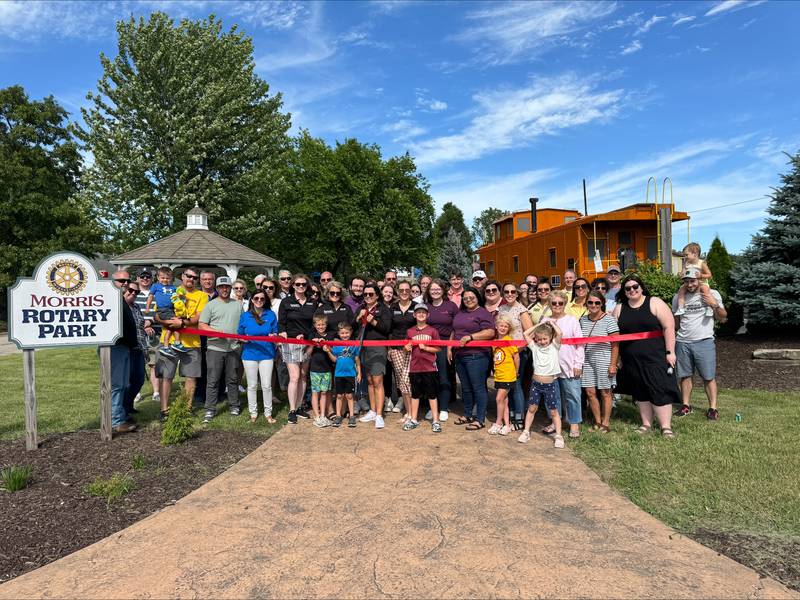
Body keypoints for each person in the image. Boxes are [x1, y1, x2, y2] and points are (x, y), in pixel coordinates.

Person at [613, 274, 679, 438]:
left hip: (656, 356)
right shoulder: (620, 308)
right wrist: (618, 358)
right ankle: (646, 424)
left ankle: (666, 426)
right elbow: (615, 335)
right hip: (631, 359)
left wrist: (670, 352)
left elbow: (669, 328)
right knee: (640, 391)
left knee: (659, 388)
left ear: (641, 287)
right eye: (628, 288)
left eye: (635, 287)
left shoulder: (655, 302)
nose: (632, 290)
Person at [672, 266, 727, 420]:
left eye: (693, 281)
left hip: (704, 341)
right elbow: (676, 322)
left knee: (708, 377)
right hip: (683, 341)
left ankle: (713, 408)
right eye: (687, 281)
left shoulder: (712, 293)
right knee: (684, 376)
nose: (690, 285)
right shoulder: (678, 297)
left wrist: (714, 304)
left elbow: (723, 317)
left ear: (699, 280)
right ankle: (685, 406)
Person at [155, 267, 208, 422]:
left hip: (191, 342)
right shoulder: (170, 290)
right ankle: (164, 410)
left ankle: (186, 408)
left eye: (194, 277)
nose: (191, 279)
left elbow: (198, 318)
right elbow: (158, 313)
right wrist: (168, 322)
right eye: (188, 276)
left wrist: (182, 323)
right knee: (166, 375)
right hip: (168, 341)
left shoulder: (202, 296)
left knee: (191, 377)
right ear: (182, 276)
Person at [198, 276, 243, 422]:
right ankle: (210, 409)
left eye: (227, 287)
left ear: (230, 288)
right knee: (213, 380)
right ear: (217, 289)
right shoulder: (210, 305)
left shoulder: (237, 304)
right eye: (221, 287)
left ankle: (234, 405)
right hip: (215, 348)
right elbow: (201, 325)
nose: (224, 289)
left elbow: (243, 325)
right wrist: (217, 333)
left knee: (233, 379)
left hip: (234, 348)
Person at [450, 287, 495, 430]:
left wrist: (471, 337)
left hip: (477, 355)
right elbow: (454, 330)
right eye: (465, 298)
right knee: (466, 387)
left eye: (472, 297)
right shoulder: (460, 313)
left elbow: (490, 332)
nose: (468, 300)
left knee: (478, 387)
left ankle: (480, 419)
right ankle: (468, 414)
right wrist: (450, 347)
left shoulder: (483, 313)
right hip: (459, 355)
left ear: (477, 298)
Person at [543, 290, 585, 438]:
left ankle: (574, 424)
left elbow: (580, 344)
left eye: (560, 303)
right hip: (549, 367)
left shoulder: (572, 320)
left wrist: (578, 364)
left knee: (573, 395)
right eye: (554, 303)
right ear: (549, 304)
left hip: (569, 365)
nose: (557, 305)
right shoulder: (544, 321)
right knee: (552, 397)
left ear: (565, 304)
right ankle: (555, 422)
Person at [278, 273, 319, 424]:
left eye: (303, 284)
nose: (301, 287)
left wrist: (309, 340)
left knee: (303, 376)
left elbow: (315, 325)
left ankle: (300, 405)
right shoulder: (286, 302)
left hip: (307, 343)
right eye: (297, 284)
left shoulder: (312, 303)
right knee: (294, 377)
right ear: (293, 285)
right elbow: (281, 323)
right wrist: (282, 333)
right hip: (291, 343)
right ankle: (292, 409)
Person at [519, 321, 565, 448]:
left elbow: (559, 333)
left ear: (550, 338)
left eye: (545, 339)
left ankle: (558, 436)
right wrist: (538, 326)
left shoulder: (555, 346)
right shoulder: (534, 347)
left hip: (550, 384)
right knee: (532, 408)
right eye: (539, 339)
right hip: (536, 384)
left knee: (554, 411)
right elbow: (525, 333)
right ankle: (526, 431)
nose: (542, 341)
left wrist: (550, 324)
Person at [580, 291, 619, 432]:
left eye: (597, 302)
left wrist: (613, 364)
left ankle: (606, 423)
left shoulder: (609, 320)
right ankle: (597, 421)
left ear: (602, 303)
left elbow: (615, 344)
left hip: (604, 359)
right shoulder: (583, 320)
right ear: (586, 304)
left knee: (605, 392)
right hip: (587, 360)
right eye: (590, 302)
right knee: (590, 392)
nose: (593, 305)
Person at [238, 289, 278, 423]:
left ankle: (268, 413)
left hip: (267, 354)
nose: (259, 301)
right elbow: (239, 334)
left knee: (266, 385)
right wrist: (243, 339)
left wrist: (273, 336)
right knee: (252, 385)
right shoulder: (245, 316)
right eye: (256, 298)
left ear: (265, 300)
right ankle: (253, 413)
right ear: (252, 300)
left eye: (262, 298)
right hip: (249, 354)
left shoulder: (271, 315)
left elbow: (275, 332)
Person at [355, 283, 393, 429]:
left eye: (371, 294)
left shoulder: (384, 309)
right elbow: (352, 325)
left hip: (377, 347)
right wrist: (358, 318)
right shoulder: (361, 308)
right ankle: (372, 410)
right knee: (369, 380)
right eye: (365, 294)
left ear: (377, 295)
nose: (368, 297)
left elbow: (387, 328)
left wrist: (373, 321)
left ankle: (379, 414)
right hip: (363, 347)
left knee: (378, 381)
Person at [498, 282, 534, 426]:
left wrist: (517, 350)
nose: (510, 294)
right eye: (507, 292)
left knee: (517, 384)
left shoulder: (521, 310)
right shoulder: (501, 309)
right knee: (508, 385)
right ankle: (511, 412)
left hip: (518, 354)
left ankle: (519, 416)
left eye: (513, 291)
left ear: (517, 293)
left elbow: (530, 333)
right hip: (504, 354)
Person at [403, 303, 442, 432]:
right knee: (415, 395)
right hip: (415, 367)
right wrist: (406, 348)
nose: (421, 314)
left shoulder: (432, 331)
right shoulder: (410, 331)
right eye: (418, 312)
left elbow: (438, 348)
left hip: (429, 367)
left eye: (423, 312)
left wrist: (426, 348)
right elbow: (406, 348)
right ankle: (413, 419)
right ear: (414, 315)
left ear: (428, 315)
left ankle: (435, 420)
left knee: (432, 394)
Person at [424, 279, 458, 421]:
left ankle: (443, 407)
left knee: (444, 376)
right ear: (428, 291)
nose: (435, 291)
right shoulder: (425, 307)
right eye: (432, 289)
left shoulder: (451, 306)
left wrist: (450, 346)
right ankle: (433, 407)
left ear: (443, 290)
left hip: (445, 345)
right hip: (427, 346)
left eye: (438, 289)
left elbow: (456, 328)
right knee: (430, 378)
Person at [110, 271, 139, 434]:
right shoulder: (109, 299)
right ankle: (116, 421)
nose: (125, 283)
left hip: (125, 347)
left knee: (123, 384)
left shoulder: (121, 300)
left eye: (127, 280)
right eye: (121, 280)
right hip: (115, 347)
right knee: (117, 385)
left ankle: (120, 415)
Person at [124, 279, 154, 422]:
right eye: (131, 290)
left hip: (140, 348)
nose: (133, 294)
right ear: (124, 290)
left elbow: (140, 324)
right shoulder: (120, 307)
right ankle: (123, 410)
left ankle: (128, 406)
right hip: (126, 349)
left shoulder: (136, 307)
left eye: (136, 292)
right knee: (127, 381)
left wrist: (147, 326)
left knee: (139, 379)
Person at [387, 280, 417, 418]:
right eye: (401, 290)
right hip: (396, 349)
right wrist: (388, 348)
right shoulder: (392, 307)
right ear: (397, 292)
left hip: (413, 349)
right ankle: (408, 412)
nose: (404, 292)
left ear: (410, 291)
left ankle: (412, 412)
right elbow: (388, 329)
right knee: (401, 381)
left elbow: (420, 326)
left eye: (407, 290)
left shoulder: (417, 307)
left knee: (409, 380)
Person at [325, 321, 361, 428]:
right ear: (339, 334)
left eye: (346, 333)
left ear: (350, 332)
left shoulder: (354, 345)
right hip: (339, 374)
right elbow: (335, 359)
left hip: (350, 374)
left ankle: (352, 416)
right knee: (339, 395)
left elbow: (357, 359)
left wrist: (359, 373)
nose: (345, 335)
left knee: (350, 396)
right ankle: (338, 416)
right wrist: (328, 351)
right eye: (342, 333)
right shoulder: (336, 346)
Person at [133, 268, 161, 406]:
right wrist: (144, 324)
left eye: (148, 277)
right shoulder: (133, 294)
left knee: (154, 364)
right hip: (137, 335)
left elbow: (162, 311)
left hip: (154, 334)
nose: (145, 279)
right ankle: (136, 393)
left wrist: (152, 321)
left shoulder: (157, 294)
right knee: (137, 365)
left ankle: (156, 392)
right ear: (137, 278)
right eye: (142, 276)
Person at [145, 266, 187, 356]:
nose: (165, 280)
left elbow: (179, 297)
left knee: (171, 328)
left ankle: (166, 347)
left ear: (171, 278)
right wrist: (147, 308)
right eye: (162, 278)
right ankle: (176, 343)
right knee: (176, 325)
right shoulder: (156, 286)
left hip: (171, 310)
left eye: (167, 278)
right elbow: (150, 297)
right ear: (158, 278)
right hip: (162, 310)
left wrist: (182, 297)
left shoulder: (173, 288)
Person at [488, 314, 518, 436]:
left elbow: (516, 357)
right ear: (496, 326)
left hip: (508, 375)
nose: (503, 328)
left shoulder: (509, 341)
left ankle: (498, 423)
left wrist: (516, 371)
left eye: (506, 326)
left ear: (509, 329)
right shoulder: (494, 342)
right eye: (501, 325)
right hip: (499, 375)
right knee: (504, 401)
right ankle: (507, 425)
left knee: (499, 399)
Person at [308, 314, 334, 427]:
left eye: (323, 324)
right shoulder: (312, 335)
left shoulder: (331, 335)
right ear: (315, 325)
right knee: (315, 392)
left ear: (326, 324)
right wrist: (313, 343)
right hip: (314, 369)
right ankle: (317, 416)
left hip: (327, 369)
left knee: (324, 392)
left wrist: (327, 346)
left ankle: (323, 415)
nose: (321, 326)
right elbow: (308, 352)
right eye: (318, 324)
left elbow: (334, 350)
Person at [675, 242, 714, 317]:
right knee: (681, 290)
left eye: (686, 255)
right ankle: (681, 308)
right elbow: (683, 272)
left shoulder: (701, 263)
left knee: (705, 290)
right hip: (689, 283)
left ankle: (709, 308)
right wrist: (681, 274)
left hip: (701, 283)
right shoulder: (686, 263)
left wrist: (701, 275)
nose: (685, 257)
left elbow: (709, 275)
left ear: (695, 254)